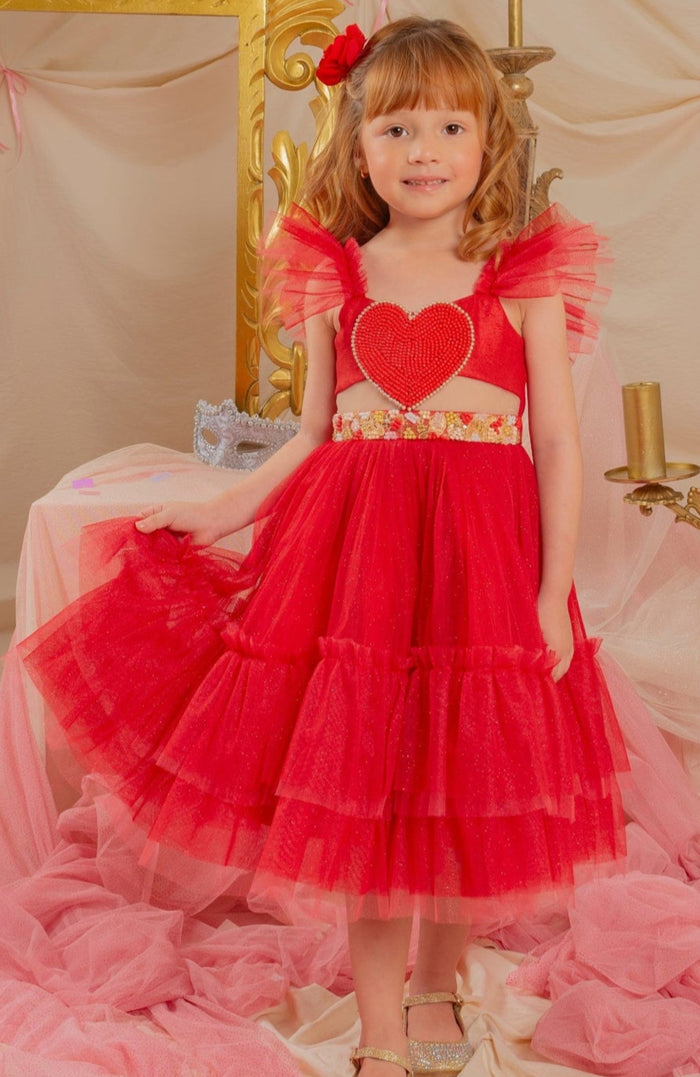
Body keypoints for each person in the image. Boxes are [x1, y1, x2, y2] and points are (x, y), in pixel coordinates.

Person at [20, 17, 630, 1077]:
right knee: (371, 794)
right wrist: (220, 512)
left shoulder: (520, 273)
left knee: (464, 783)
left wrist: (550, 592)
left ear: (490, 140)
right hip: (359, 565)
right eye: (396, 129)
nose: (424, 151)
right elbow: (311, 435)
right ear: (357, 144)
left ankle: (437, 985)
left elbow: (560, 444)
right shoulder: (335, 272)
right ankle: (382, 1027)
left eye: (450, 126)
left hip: (483, 561)